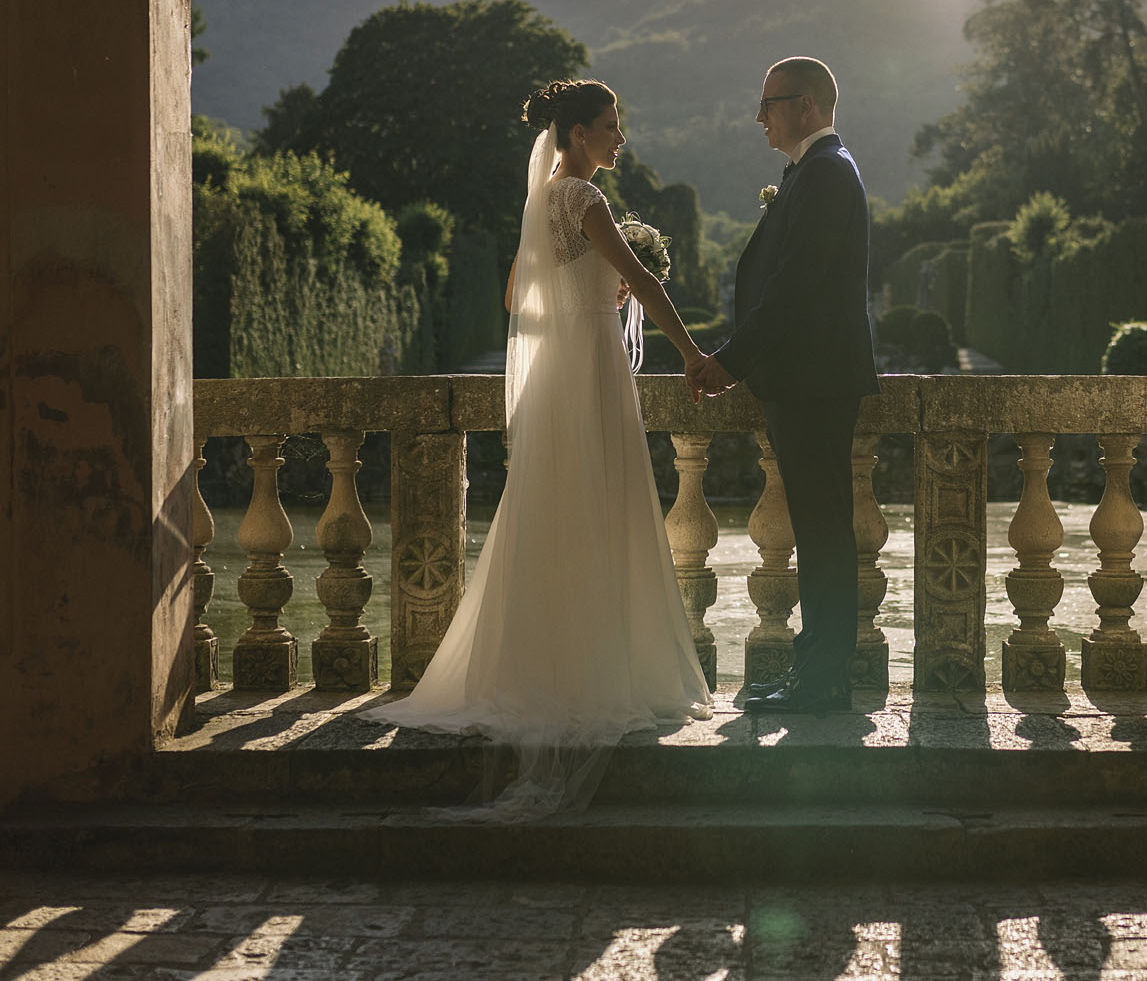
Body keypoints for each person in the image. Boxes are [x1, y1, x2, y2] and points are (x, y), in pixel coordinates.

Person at [370, 79, 712, 812]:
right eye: (611, 126)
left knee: (555, 515)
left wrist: (581, 297)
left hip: (559, 371)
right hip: (590, 369)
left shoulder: (540, 201)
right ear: (580, 133)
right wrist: (689, 352)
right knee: (603, 509)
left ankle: (539, 672)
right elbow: (643, 281)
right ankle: (599, 675)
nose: (620, 138)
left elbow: (511, 302)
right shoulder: (585, 199)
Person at [689, 57, 880, 713]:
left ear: (806, 105)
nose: (759, 117)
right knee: (819, 531)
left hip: (814, 383)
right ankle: (817, 675)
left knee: (823, 534)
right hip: (807, 380)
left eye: (768, 104)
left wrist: (731, 360)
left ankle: (823, 682)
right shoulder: (815, 170)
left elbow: (795, 285)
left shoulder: (825, 172)